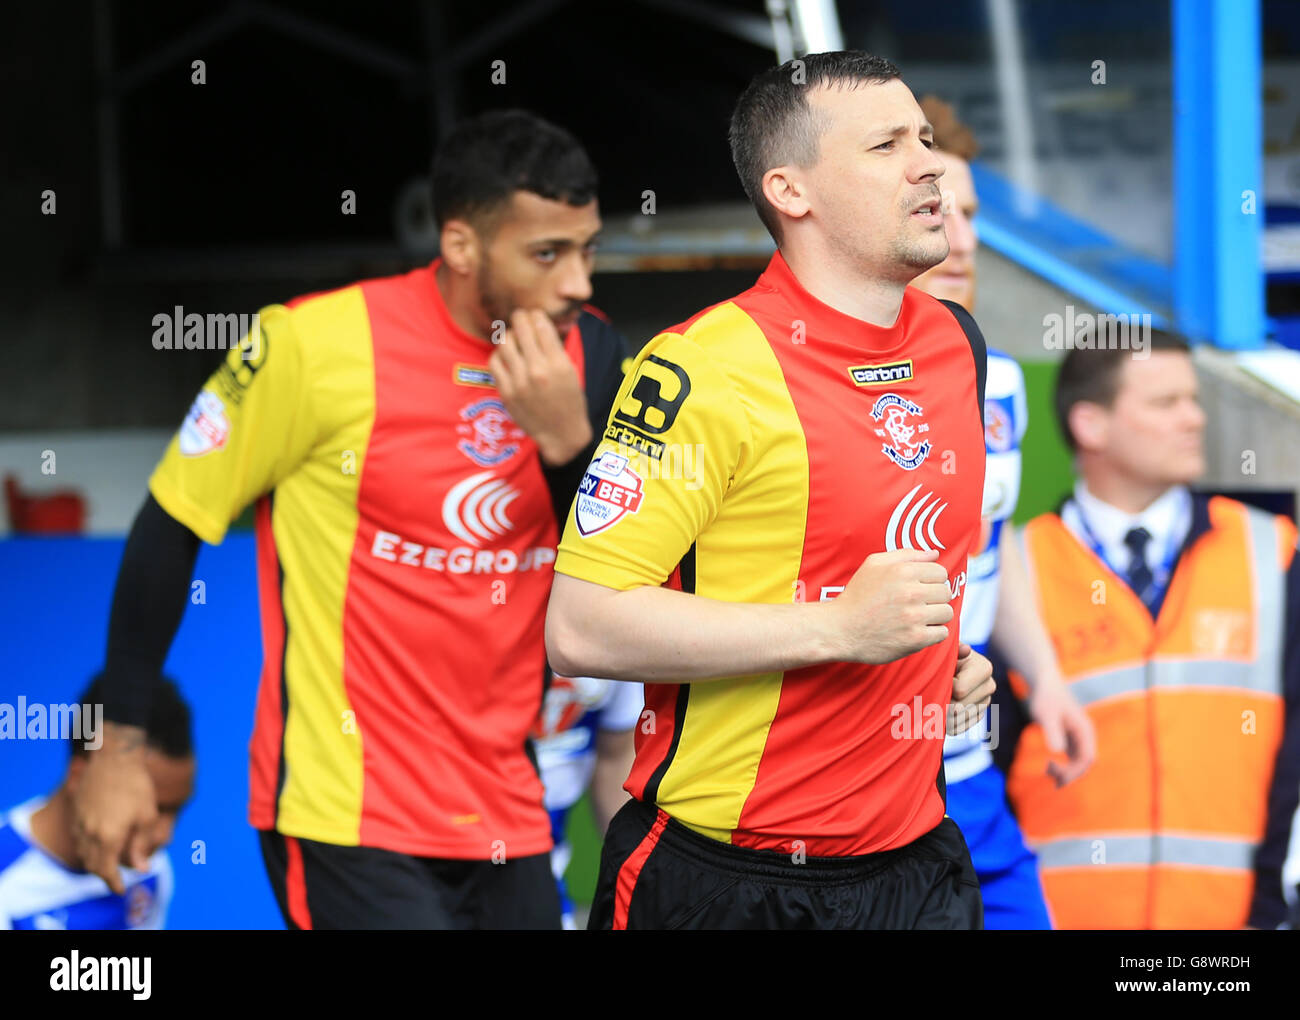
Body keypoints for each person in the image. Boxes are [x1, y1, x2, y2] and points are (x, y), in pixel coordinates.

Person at [73, 109, 630, 930]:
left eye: (587, 250)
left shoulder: (591, 354)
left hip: (508, 807)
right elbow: (170, 523)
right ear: (461, 245)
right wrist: (118, 748)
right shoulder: (311, 346)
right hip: (346, 811)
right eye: (547, 254)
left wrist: (565, 447)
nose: (578, 282)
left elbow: (618, 571)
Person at [546, 51, 996, 931]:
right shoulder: (698, 367)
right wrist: (839, 630)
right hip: (725, 881)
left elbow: (880, 588)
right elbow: (579, 624)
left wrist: (932, 668)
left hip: (919, 868)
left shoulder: (958, 345)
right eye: (885, 144)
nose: (928, 163)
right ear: (792, 192)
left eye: (926, 138)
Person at [1004, 330, 1300, 929]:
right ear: (1091, 424)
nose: (1194, 419)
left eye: (1193, 400)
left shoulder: (1275, 553)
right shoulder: (1015, 573)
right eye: (1166, 404)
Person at [909, 96, 1095, 930]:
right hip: (865, 792)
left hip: (972, 770)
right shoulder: (800, 384)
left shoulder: (1005, 381)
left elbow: (996, 543)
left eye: (975, 213)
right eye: (941, 213)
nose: (967, 242)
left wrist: (1046, 679)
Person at [0, 676, 193, 930]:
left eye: (176, 811)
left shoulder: (151, 871)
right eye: (150, 808)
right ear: (81, 778)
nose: (164, 836)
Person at [532, 673, 641, 928]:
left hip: (546, 874)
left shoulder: (619, 642)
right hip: (445, 864)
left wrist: (636, 875)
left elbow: (614, 758)